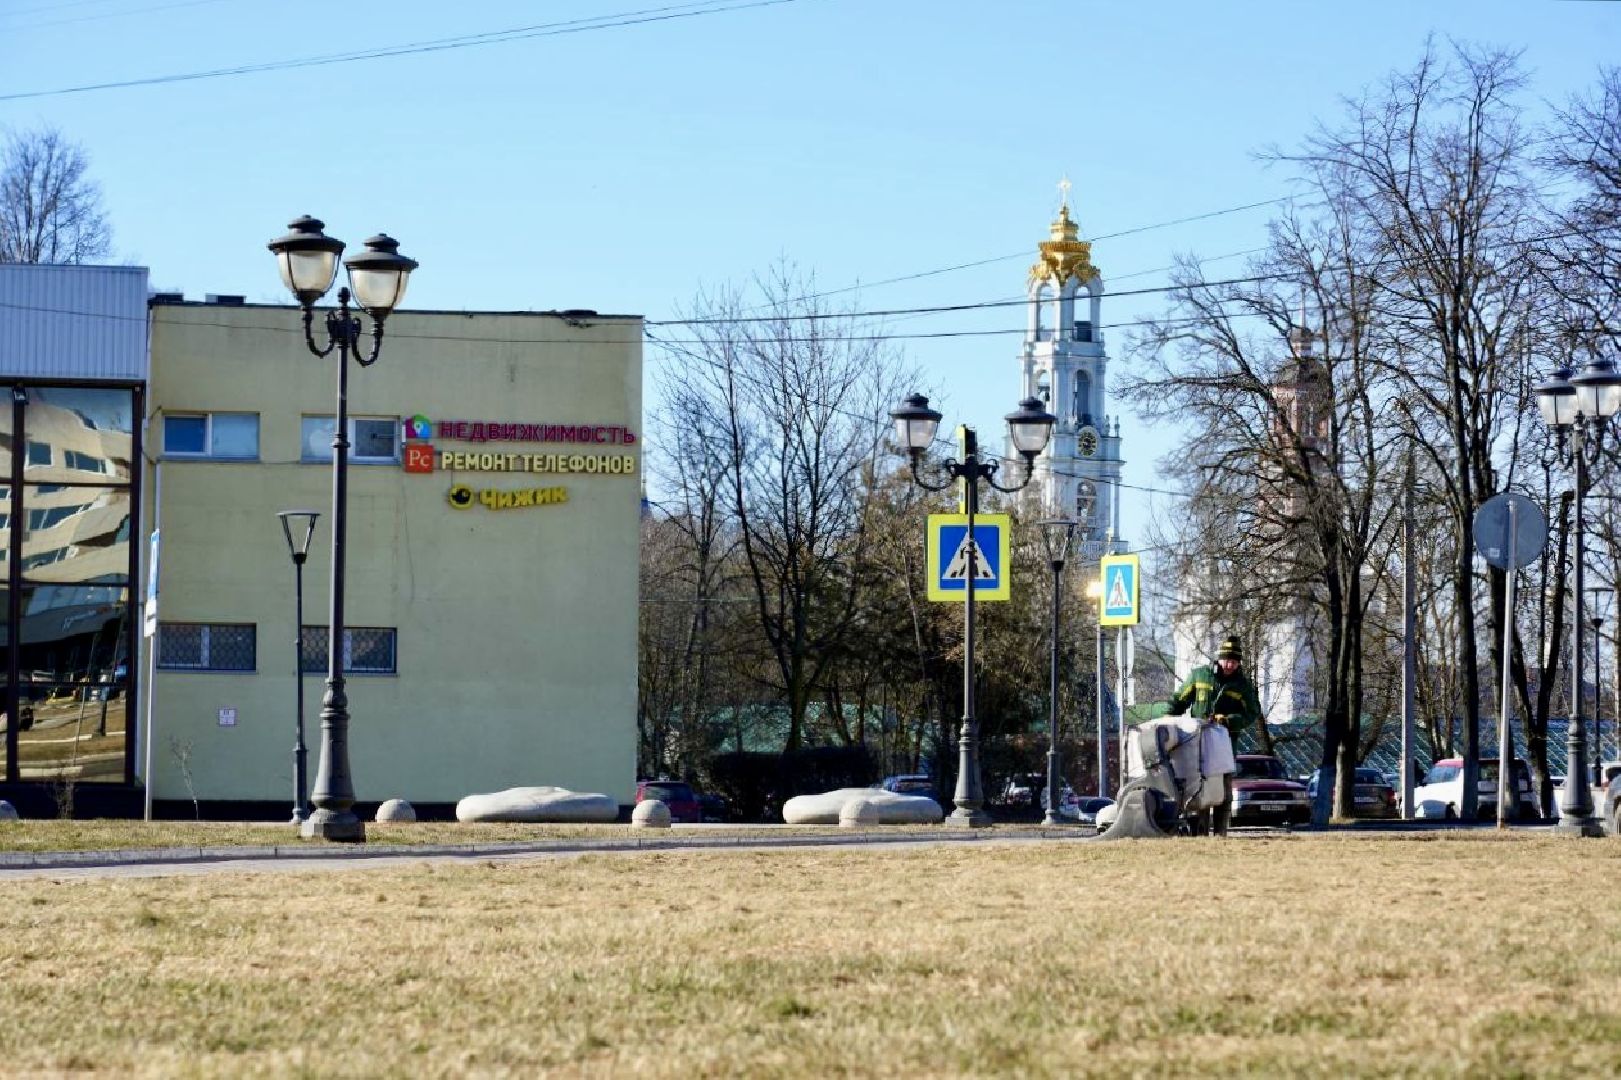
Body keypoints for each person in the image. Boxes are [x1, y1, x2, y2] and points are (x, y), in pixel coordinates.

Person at [1166, 635, 1263, 836]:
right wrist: (1167, 721)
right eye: (1227, 660)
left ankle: (1220, 833)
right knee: (1199, 789)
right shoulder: (1199, 676)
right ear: (1218, 659)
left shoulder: (1243, 686)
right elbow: (1179, 701)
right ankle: (1199, 832)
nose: (1230, 665)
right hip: (1197, 744)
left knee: (1223, 792)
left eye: (1234, 662)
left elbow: (1252, 713)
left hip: (1225, 745)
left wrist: (1228, 720)